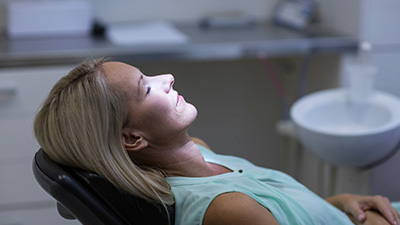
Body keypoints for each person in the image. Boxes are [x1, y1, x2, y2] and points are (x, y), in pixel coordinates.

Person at [34, 58, 400, 225]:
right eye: (147, 88)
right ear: (132, 138)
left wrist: (342, 203)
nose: (169, 77)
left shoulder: (204, 153)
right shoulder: (227, 209)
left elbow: (291, 211)